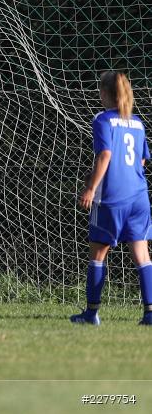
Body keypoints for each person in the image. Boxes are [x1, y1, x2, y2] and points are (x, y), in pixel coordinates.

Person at [72, 70, 152, 326]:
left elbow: (105, 155)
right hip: (139, 197)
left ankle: (91, 313)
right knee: (142, 254)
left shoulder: (102, 119)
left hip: (111, 197)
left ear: (105, 94)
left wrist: (91, 187)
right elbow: (140, 159)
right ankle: (150, 313)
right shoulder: (137, 122)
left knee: (98, 254)